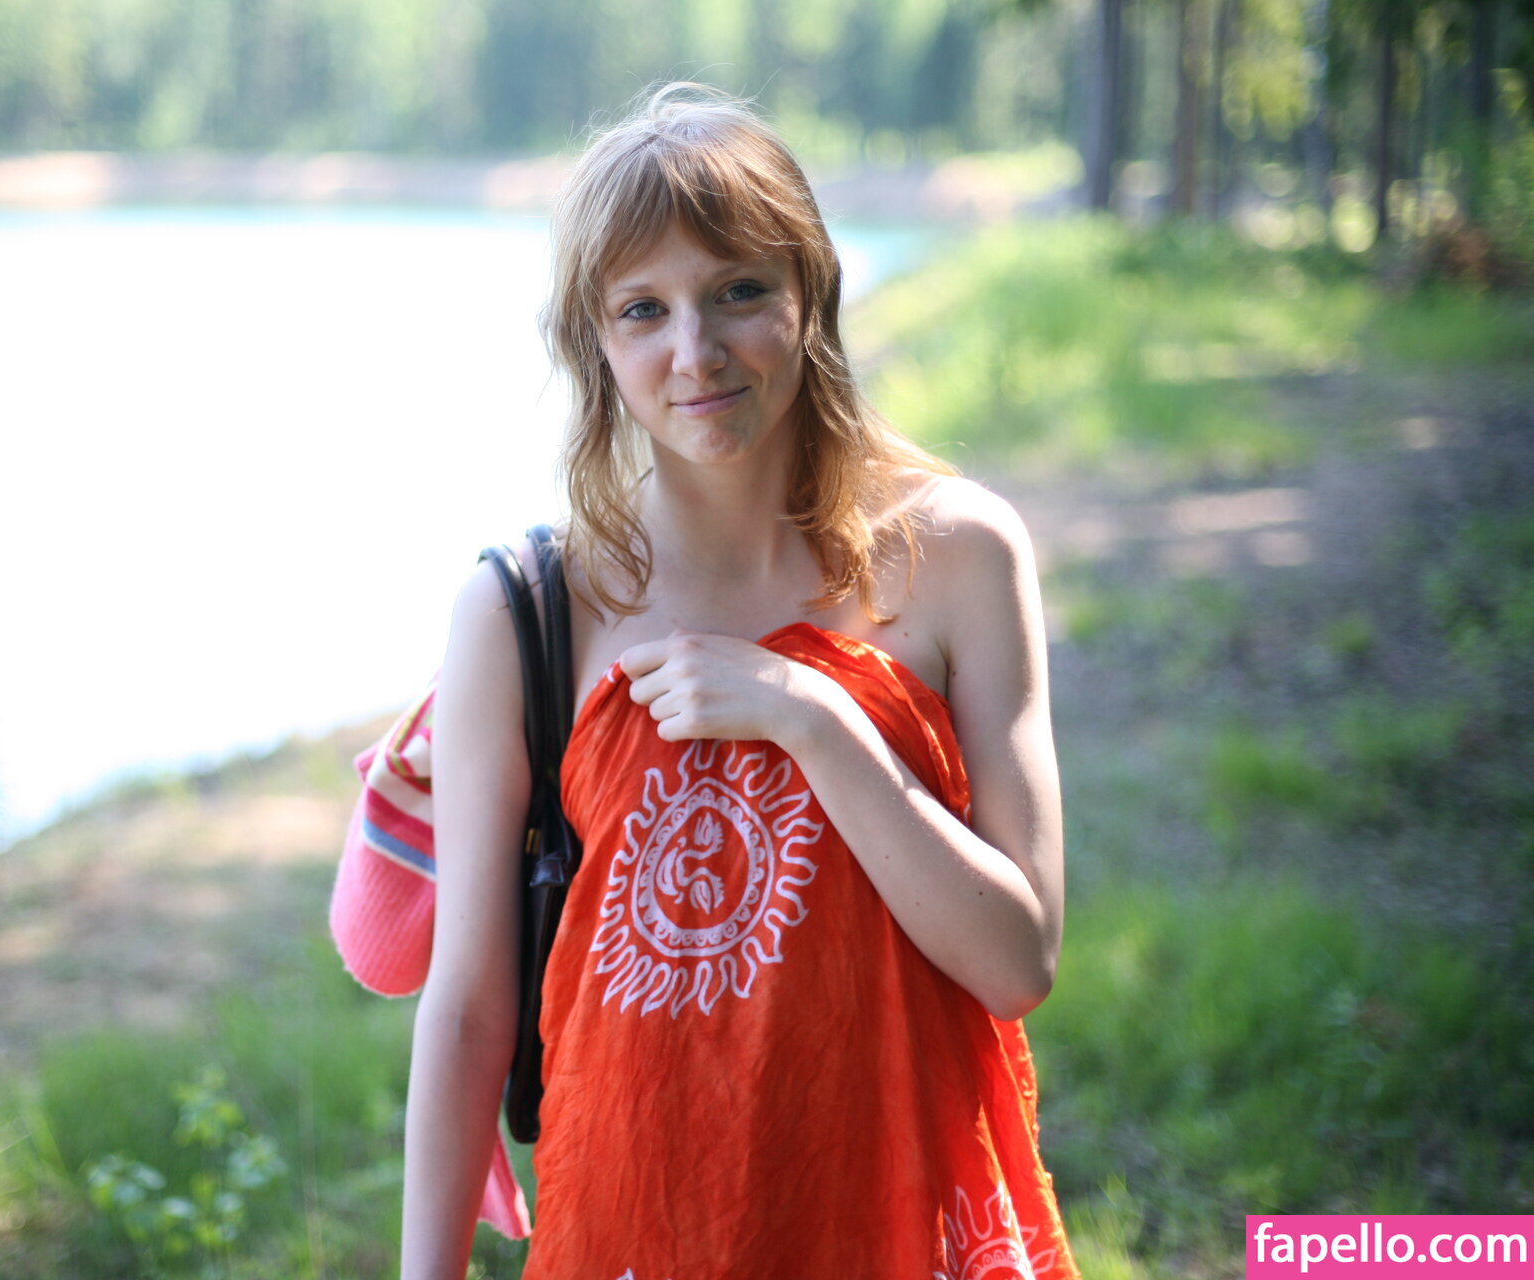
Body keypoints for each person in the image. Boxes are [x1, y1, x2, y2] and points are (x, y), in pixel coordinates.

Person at [401, 81, 1077, 1280]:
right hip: (635, 1231)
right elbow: (464, 1013)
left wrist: (815, 715)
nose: (695, 352)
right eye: (642, 310)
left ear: (811, 289)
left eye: (738, 292)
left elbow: (1017, 959)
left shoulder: (959, 555)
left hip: (900, 1221)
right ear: (595, 345)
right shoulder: (526, 613)